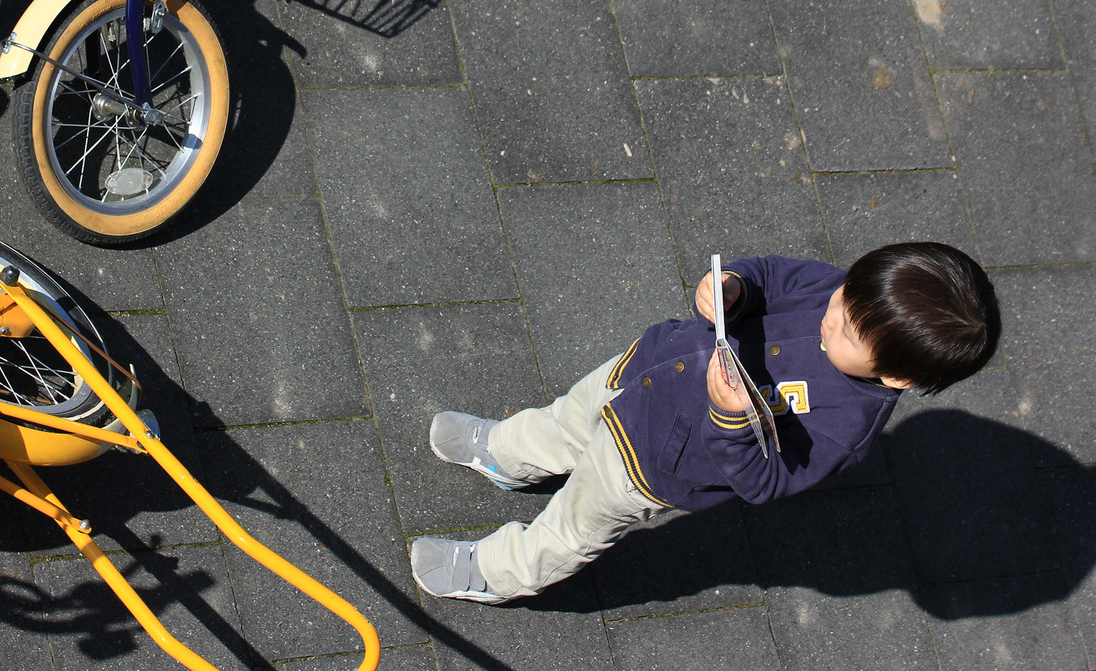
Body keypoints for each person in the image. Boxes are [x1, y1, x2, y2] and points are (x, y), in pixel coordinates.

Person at [410, 242, 1000, 603]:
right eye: (844, 295)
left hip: (654, 463)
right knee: (567, 417)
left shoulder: (845, 427)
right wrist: (733, 287)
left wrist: (729, 415)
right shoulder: (839, 294)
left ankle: (495, 571)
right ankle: (508, 454)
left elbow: (764, 481)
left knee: (572, 528)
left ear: (894, 378)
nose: (830, 312)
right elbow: (773, 276)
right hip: (645, 367)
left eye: (848, 330)